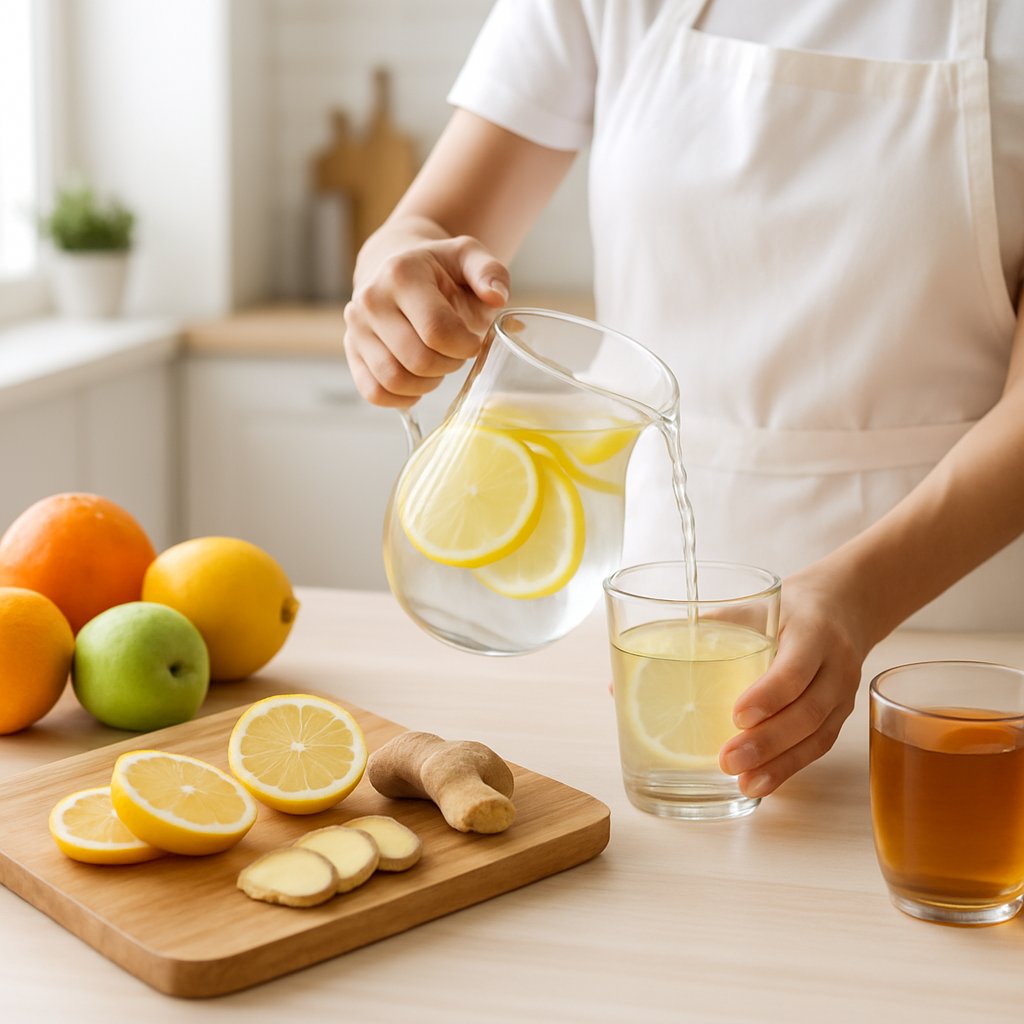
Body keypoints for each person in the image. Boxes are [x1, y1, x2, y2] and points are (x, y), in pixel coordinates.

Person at [343, 1, 1024, 800]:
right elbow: (430, 223)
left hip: (959, 656)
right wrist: (395, 278)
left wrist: (861, 594)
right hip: (655, 633)